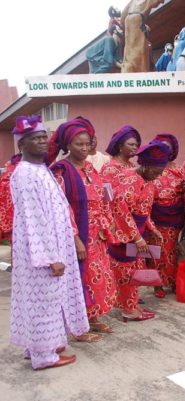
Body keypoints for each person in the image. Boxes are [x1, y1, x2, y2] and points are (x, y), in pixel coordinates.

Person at [10, 115, 88, 370]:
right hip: (41, 255)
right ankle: (44, 357)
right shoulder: (25, 174)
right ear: (21, 144)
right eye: (35, 138)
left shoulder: (38, 169)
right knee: (44, 303)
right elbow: (35, 220)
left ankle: (39, 347)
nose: (43, 141)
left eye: (44, 137)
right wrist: (50, 258)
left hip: (50, 249)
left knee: (44, 301)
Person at [48, 117, 116, 340]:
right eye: (79, 144)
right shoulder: (61, 171)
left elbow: (102, 197)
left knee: (96, 277)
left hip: (97, 234)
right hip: (78, 235)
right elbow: (62, 209)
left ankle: (92, 318)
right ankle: (78, 329)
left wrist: (107, 225)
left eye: (88, 143)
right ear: (68, 145)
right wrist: (76, 239)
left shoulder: (90, 168)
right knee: (79, 280)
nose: (85, 148)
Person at [108, 140, 169, 322]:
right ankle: (128, 310)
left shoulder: (147, 180)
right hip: (125, 235)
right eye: (155, 172)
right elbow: (121, 210)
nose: (157, 176)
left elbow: (144, 211)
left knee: (134, 271)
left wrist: (152, 228)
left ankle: (132, 304)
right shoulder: (130, 180)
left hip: (137, 232)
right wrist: (137, 238)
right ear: (145, 166)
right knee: (126, 272)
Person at [148, 134, 185, 298]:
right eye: (161, 147)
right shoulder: (151, 169)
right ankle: (157, 284)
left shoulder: (180, 170)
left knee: (174, 252)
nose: (165, 150)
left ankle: (173, 281)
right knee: (157, 252)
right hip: (156, 218)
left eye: (168, 147)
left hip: (176, 217)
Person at [120, 0, 165, 72]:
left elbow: (122, 19)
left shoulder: (132, 3)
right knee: (140, 52)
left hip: (129, 22)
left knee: (134, 52)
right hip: (137, 22)